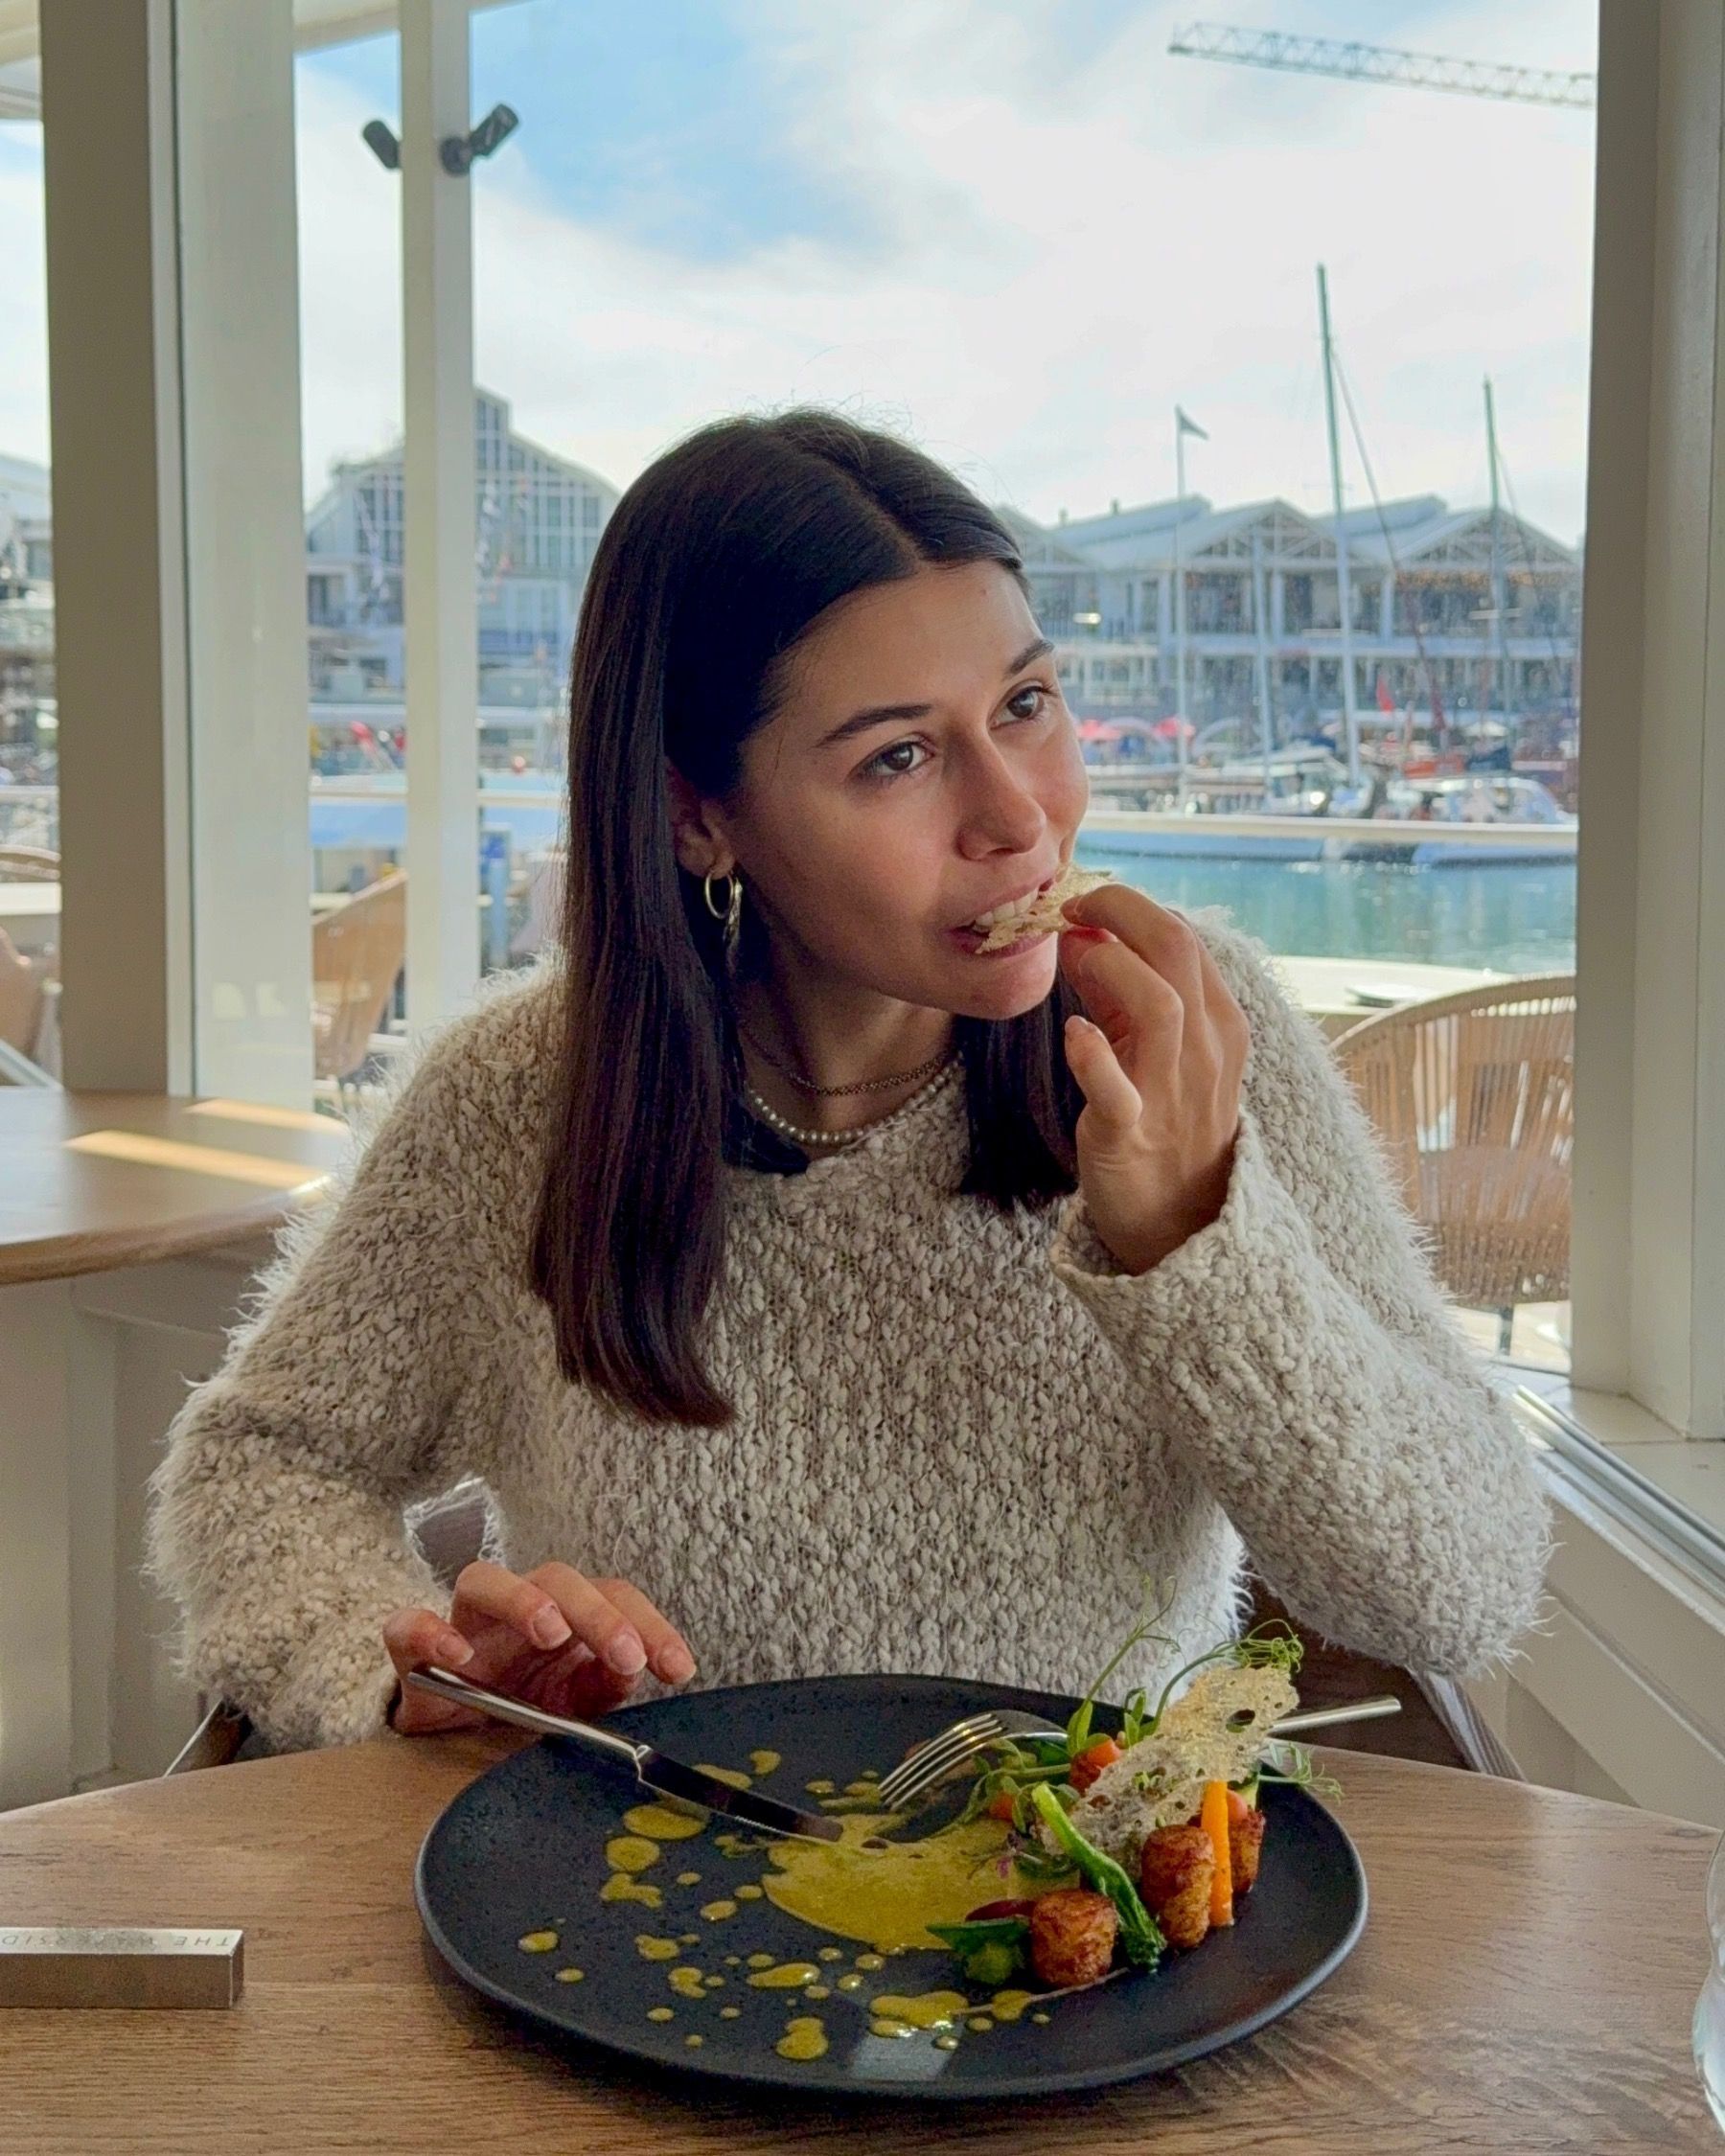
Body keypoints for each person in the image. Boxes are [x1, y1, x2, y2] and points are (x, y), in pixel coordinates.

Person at [147, 410, 1549, 1753]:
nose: (1016, 815)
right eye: (899, 755)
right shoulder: (519, 1100)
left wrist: (1195, 1233)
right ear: (703, 814)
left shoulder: (1190, 1030)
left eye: (1028, 702)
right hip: (632, 1930)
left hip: (1095, 1944)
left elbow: (1454, 1589)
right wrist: (422, 1680)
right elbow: (263, 1459)